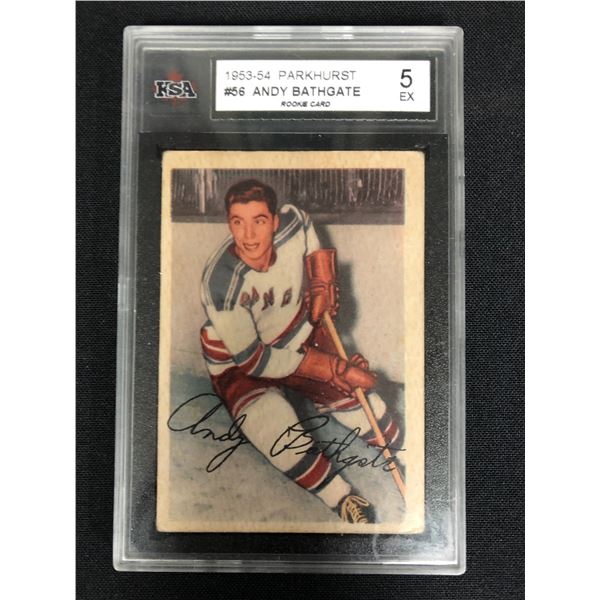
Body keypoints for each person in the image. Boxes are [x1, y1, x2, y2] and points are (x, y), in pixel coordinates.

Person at [199, 179, 401, 524]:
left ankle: (405, 455)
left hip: (298, 336)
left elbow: (307, 229)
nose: (248, 235)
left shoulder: (293, 223)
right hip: (240, 363)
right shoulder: (221, 282)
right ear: (229, 223)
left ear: (275, 221)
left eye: (259, 221)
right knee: (276, 430)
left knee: (367, 408)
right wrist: (334, 369)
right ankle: (341, 498)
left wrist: (321, 280)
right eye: (237, 222)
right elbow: (256, 360)